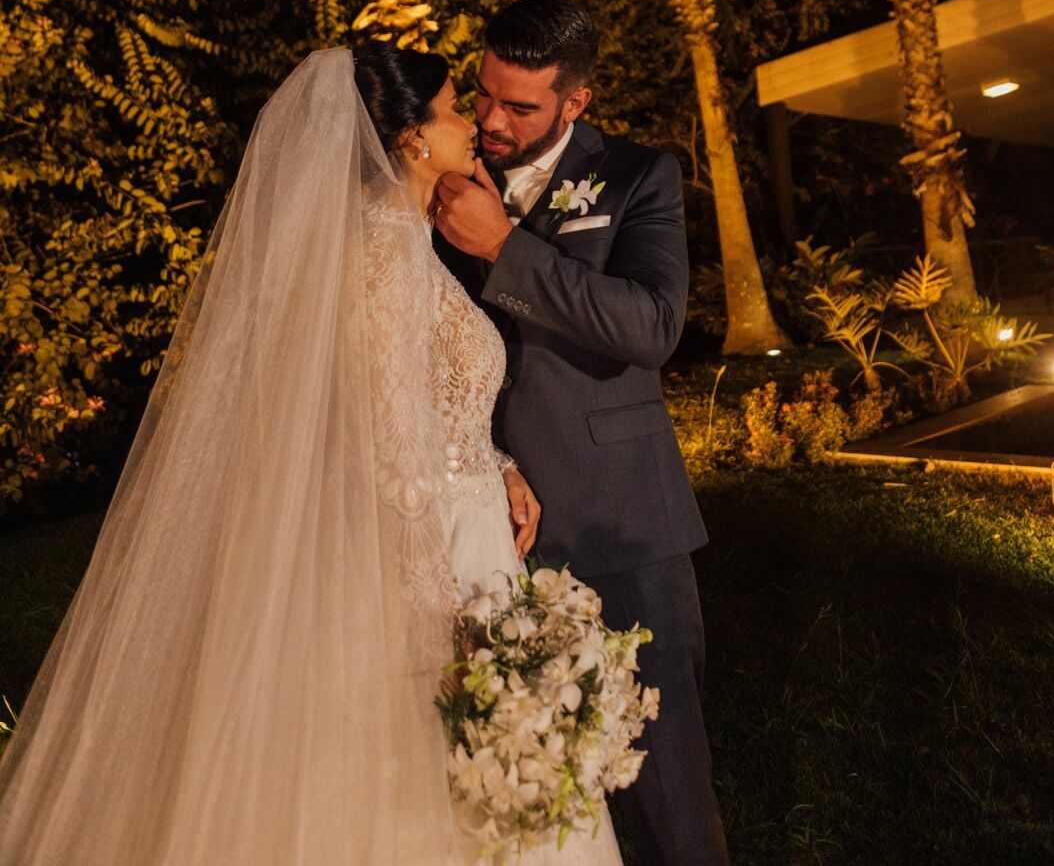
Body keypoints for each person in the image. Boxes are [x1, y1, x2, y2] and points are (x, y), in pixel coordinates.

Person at [0, 42, 621, 865]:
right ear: (407, 140)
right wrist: (446, 633)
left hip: (476, 541)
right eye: (450, 109)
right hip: (434, 564)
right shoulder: (376, 258)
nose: (471, 124)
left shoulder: (409, 244)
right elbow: (395, 468)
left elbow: (427, 407)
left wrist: (497, 463)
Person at [434, 0, 731, 866]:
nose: (491, 119)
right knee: (522, 780)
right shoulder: (437, 185)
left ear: (576, 103)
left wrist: (504, 249)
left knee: (665, 784)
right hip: (484, 531)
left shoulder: (641, 176)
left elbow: (649, 327)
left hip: (620, 522)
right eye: (483, 94)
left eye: (519, 106)